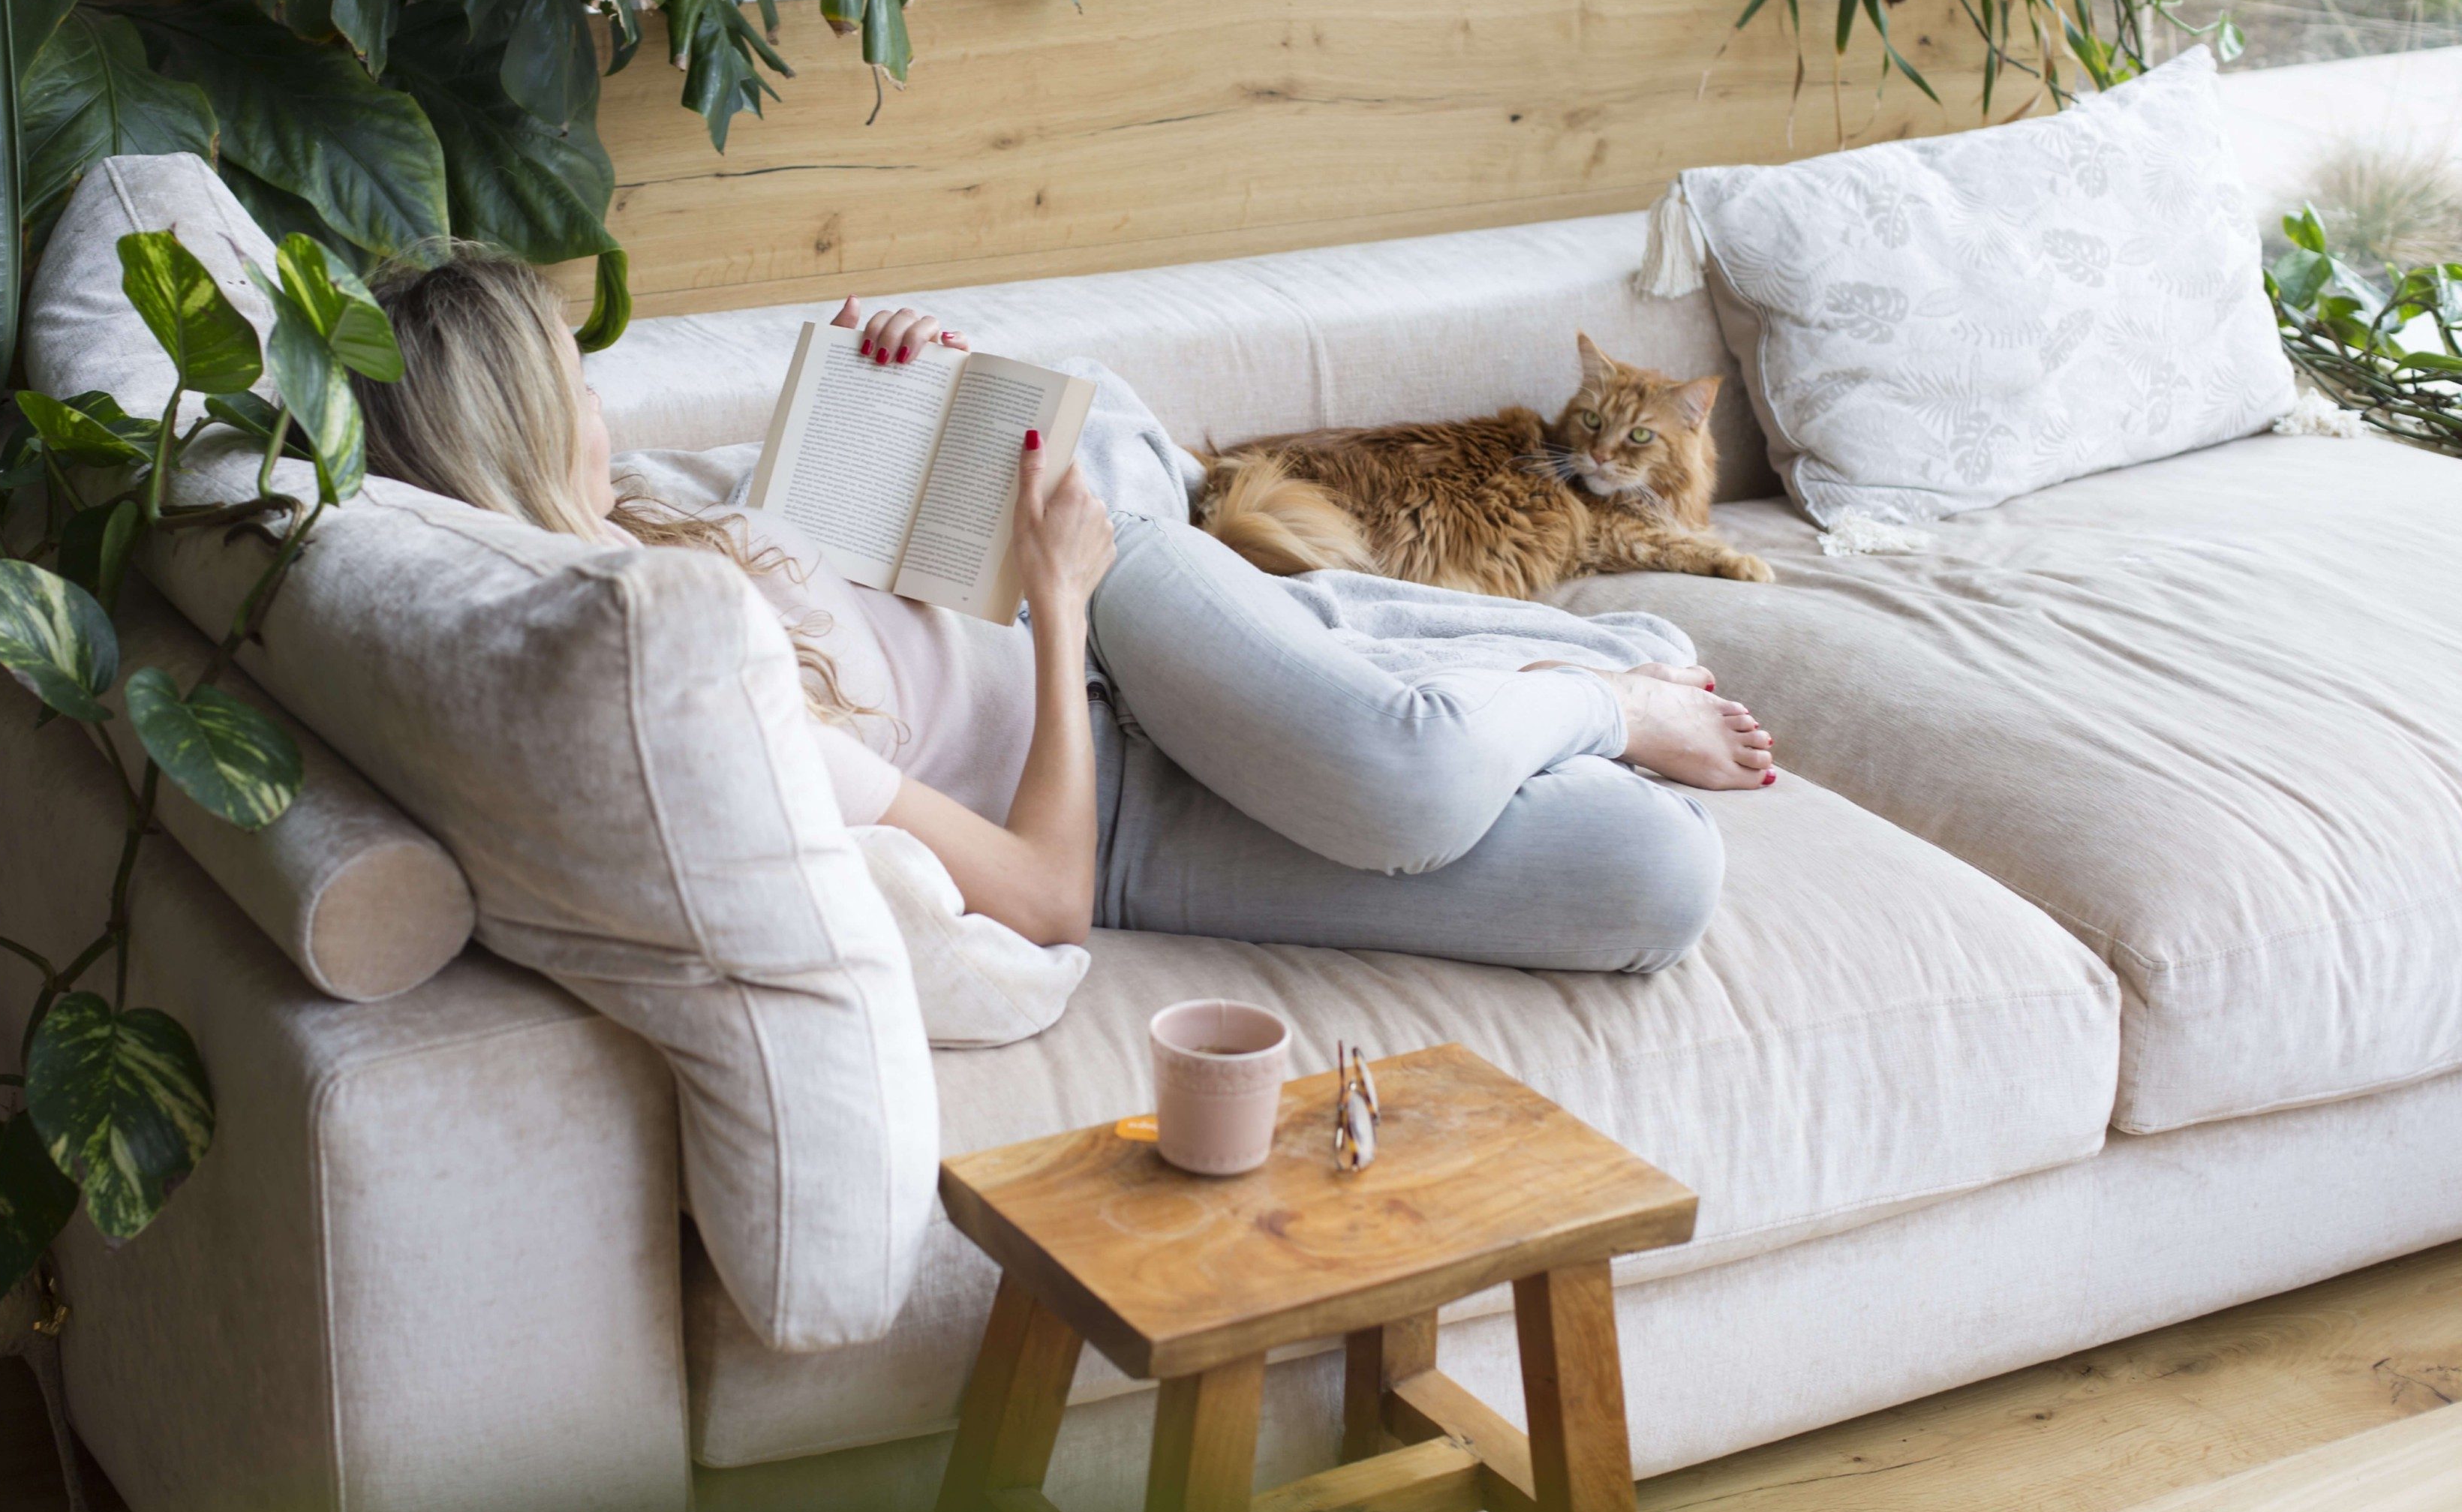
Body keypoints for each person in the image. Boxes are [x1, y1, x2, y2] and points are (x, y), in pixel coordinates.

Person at [351, 253, 1778, 973]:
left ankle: (1607, 697)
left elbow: (882, 534)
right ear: (521, 430)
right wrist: (1047, 602)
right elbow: (1035, 895)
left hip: (1120, 591)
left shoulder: (644, 499)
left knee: (1399, 771)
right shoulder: (667, 665)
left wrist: (927, 393)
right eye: (574, 384)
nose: (604, 404)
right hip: (1093, 758)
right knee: (1658, 880)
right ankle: (1559, 687)